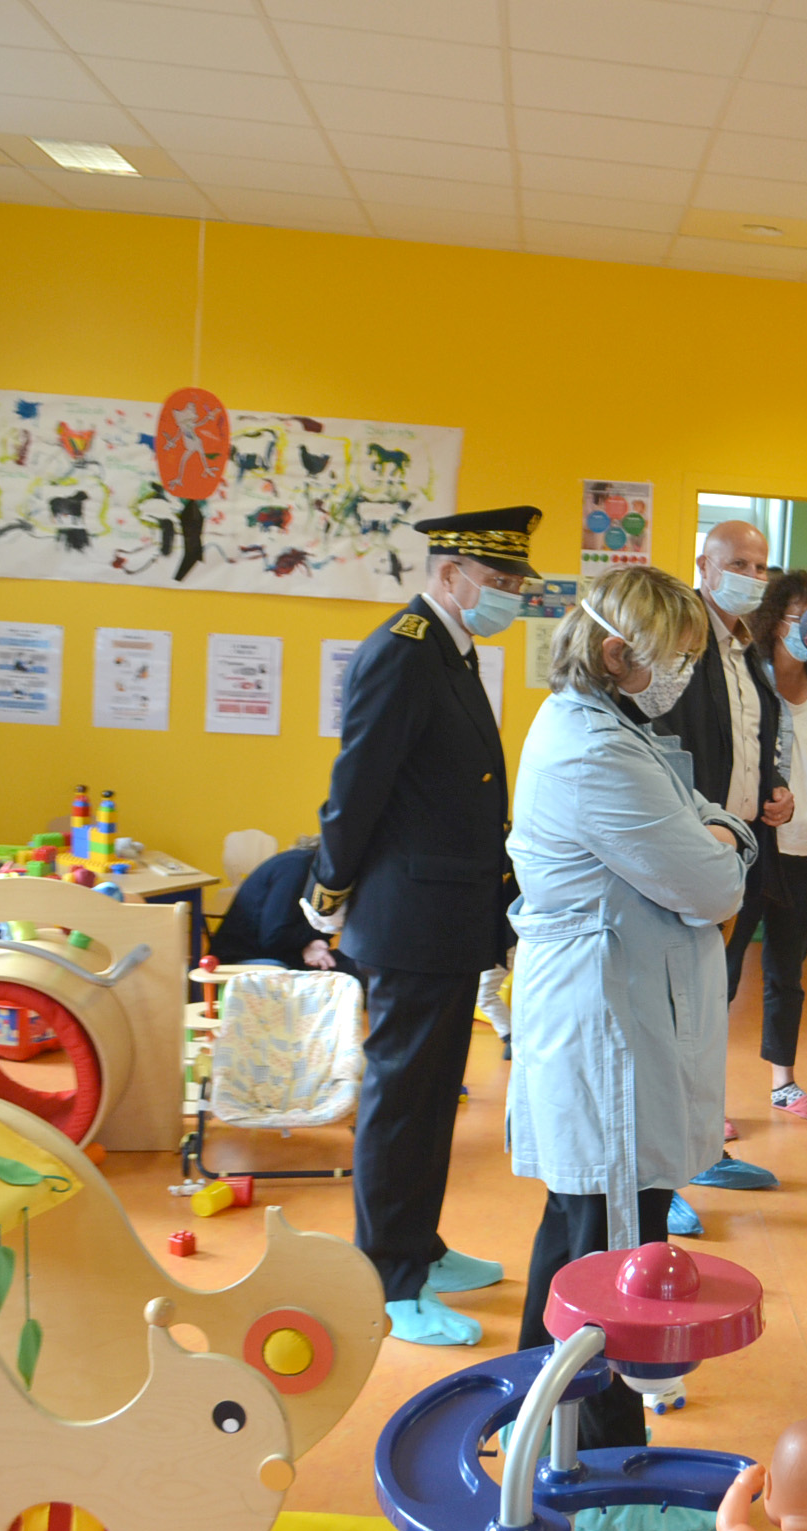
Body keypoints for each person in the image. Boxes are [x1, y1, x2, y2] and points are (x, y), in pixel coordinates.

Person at [505, 564, 753, 1446]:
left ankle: (533, 1414)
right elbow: (713, 880)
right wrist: (722, 841)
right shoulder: (597, 751)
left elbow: (712, 831)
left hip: (616, 1000)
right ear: (617, 654)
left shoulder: (607, 723)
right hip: (606, 1017)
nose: (685, 676)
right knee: (612, 1240)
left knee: (581, 1215)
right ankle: (598, 1452)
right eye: (677, 659)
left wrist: (720, 834)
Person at [302, 506, 538, 1346]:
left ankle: (421, 1246)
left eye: (515, 584)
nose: (510, 597)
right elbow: (357, 782)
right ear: (449, 575)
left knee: (436, 1092)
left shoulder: (450, 649)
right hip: (406, 916)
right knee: (401, 1098)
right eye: (500, 583)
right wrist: (329, 885)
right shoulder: (402, 650)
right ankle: (387, 1277)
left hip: (447, 911)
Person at [657, 519, 794, 1002]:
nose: (752, 577)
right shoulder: (678, 639)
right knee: (683, 989)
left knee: (721, 985)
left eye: (759, 567)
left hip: (747, 843)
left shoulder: (748, 648)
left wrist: (774, 787)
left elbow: (750, 737)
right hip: (695, 840)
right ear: (704, 566)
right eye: (738, 564)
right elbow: (662, 744)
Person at [745, 569, 807, 1122]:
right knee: (724, 971)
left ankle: (784, 1084)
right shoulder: (747, 680)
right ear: (773, 620)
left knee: (789, 971)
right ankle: (701, 1095)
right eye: (798, 618)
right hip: (756, 849)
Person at [210, 843, 357, 974]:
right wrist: (312, 940)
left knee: (366, 966)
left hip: (281, 952)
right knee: (359, 974)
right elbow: (273, 938)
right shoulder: (296, 866)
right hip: (243, 961)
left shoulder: (304, 865)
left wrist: (315, 942)